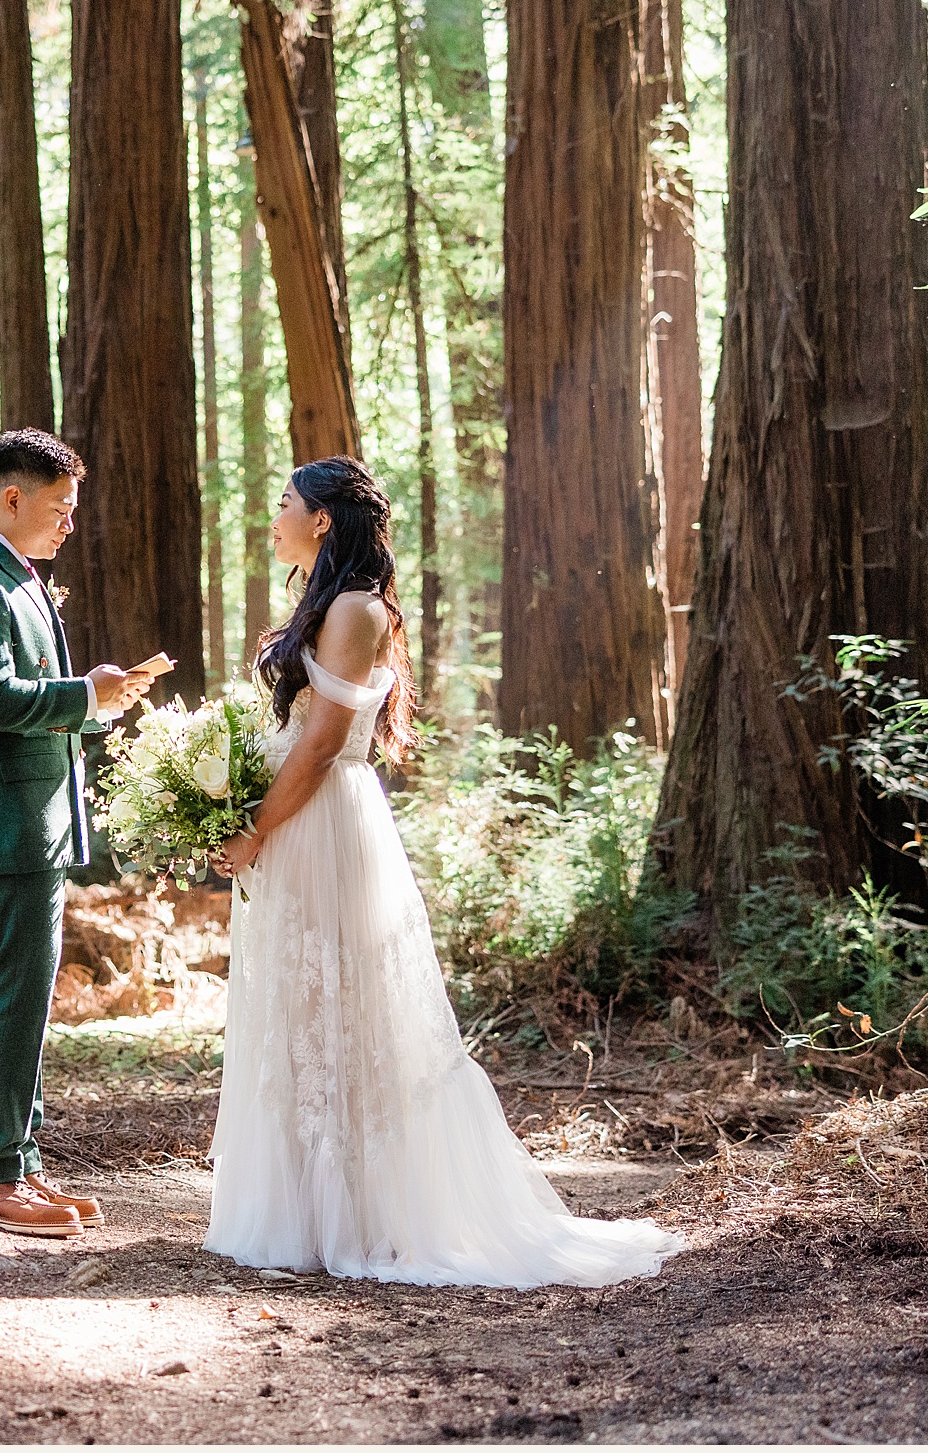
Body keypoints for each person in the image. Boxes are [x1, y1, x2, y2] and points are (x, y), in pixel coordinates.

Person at [206, 456, 683, 1287]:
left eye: (284, 502)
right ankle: (308, 1207)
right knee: (298, 1005)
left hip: (325, 826)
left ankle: (367, 1209)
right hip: (293, 820)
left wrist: (253, 831)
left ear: (323, 519)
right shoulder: (317, 604)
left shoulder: (357, 610)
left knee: (346, 1005)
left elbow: (322, 747)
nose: (273, 515)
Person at [0, 429, 149, 1238]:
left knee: (27, 996)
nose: (70, 524)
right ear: (11, 498)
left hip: (36, 819)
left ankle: (20, 1161)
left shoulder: (14, 575)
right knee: (16, 993)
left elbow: (32, 692)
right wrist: (84, 698)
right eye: (59, 507)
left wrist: (97, 698)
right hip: (0, 820)